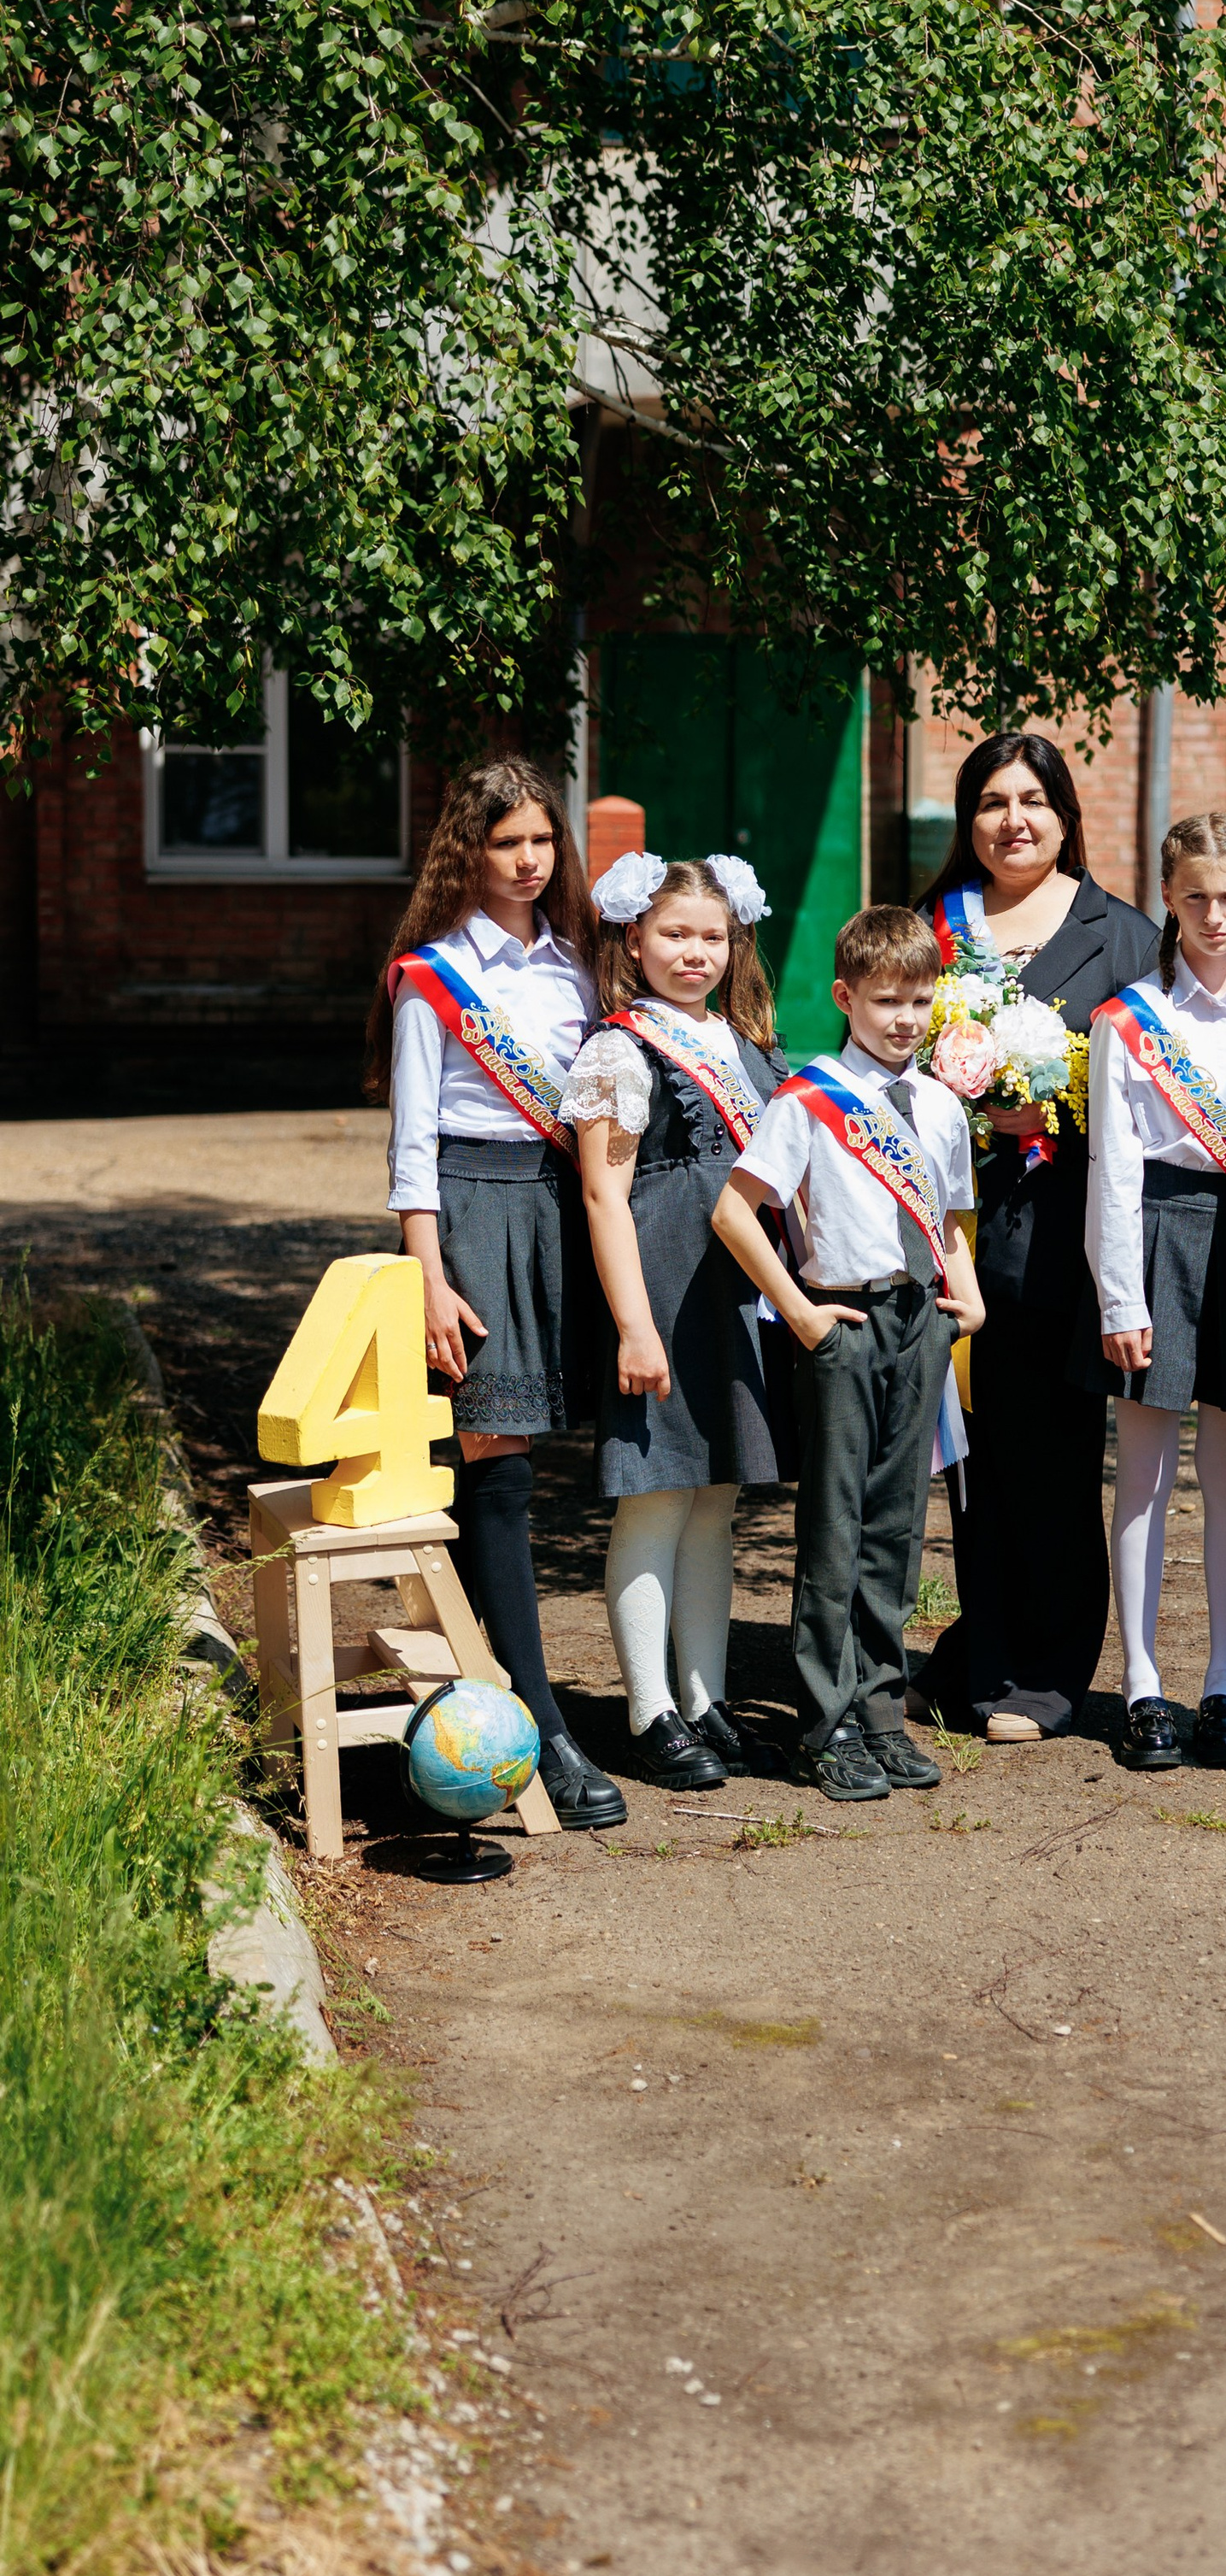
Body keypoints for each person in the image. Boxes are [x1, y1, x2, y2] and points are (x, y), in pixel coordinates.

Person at [367, 755, 625, 1831]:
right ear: (466, 851)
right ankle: (540, 1725)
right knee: (497, 1458)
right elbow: (412, 1144)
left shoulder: (578, 969)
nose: (528, 861)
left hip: (563, 1209)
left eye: (541, 842)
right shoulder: (431, 977)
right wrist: (429, 1273)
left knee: (553, 1460)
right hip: (472, 1215)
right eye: (506, 842)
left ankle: (481, 1698)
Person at [912, 733, 1160, 1742]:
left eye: (1032, 800)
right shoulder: (932, 926)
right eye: (990, 802)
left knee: (1055, 1457)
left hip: (1066, 1234)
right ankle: (983, 1654)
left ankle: (1049, 1675)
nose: (1012, 820)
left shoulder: (1125, 935)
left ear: (1064, 814)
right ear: (968, 819)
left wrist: (1048, 1116)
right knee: (974, 1460)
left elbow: (1154, 1097)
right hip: (947, 1229)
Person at [711, 907, 983, 1803]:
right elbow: (734, 1211)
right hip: (844, 1327)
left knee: (898, 1529)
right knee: (835, 1531)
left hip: (920, 1325)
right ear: (845, 997)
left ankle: (877, 1712)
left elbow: (944, 1219)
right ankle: (822, 1727)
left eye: (917, 1000)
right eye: (884, 1001)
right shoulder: (810, 1098)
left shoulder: (938, 1103)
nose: (903, 1018)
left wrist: (965, 1295)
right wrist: (799, 1313)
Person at [1076, 812, 1226, 1773]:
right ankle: (1139, 1686)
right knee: (1142, 1470)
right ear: (1168, 898)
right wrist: (1119, 1298)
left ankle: (1223, 1686)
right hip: (1158, 1237)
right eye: (1196, 897)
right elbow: (1113, 1171)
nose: (1215, 916)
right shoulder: (1130, 1018)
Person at [566, 850, 789, 1793]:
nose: (693, 953)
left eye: (711, 936)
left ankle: (704, 1698)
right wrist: (632, 1324)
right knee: (656, 1498)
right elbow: (602, 1195)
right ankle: (647, 1710)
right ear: (634, 938)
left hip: (731, 1294)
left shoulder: (747, 1045)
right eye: (673, 935)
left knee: (714, 1500)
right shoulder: (622, 1047)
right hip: (660, 1291)